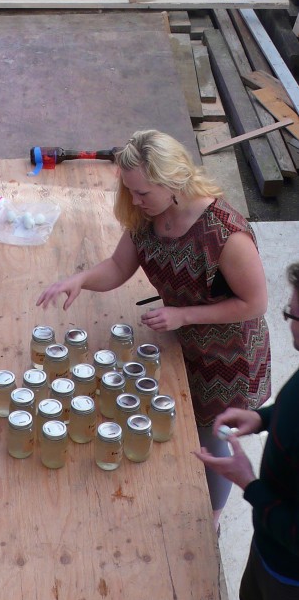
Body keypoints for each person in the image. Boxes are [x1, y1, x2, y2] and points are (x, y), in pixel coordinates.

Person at [36, 130, 271, 527]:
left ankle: (211, 512)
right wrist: (79, 280)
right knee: (177, 423)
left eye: (143, 192)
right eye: (129, 190)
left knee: (213, 437)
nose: (135, 200)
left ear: (174, 181)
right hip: (183, 345)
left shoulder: (225, 235)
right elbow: (117, 267)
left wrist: (183, 315)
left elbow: (254, 303)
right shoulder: (146, 215)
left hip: (227, 359)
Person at [173, 262, 299, 600]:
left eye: (295, 315)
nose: (290, 324)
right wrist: (264, 418)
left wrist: (251, 486)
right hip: (272, 548)